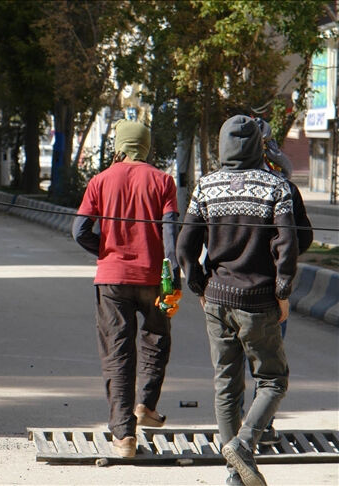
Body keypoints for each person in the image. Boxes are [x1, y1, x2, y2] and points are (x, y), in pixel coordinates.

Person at [177, 115, 298, 486]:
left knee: (226, 384)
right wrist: (283, 292)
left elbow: (185, 245)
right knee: (273, 380)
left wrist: (198, 286)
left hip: (216, 299)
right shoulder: (277, 187)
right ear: (257, 146)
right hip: (259, 301)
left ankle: (233, 473)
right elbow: (288, 244)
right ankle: (244, 445)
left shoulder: (206, 187)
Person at [72, 120, 180, 458]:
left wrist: (105, 251)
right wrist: (172, 274)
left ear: (120, 144)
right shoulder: (163, 181)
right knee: (156, 340)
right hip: (152, 278)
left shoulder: (100, 180)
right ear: (146, 146)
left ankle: (124, 437)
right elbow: (171, 232)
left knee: (117, 353)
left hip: (112, 280)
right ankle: (146, 405)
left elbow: (79, 230)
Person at [241, 118, 314, 446]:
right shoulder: (282, 185)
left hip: (226, 289)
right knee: (268, 364)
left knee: (232, 365)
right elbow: (304, 238)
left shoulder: (217, 183)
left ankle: (235, 431)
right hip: (269, 288)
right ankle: (259, 429)